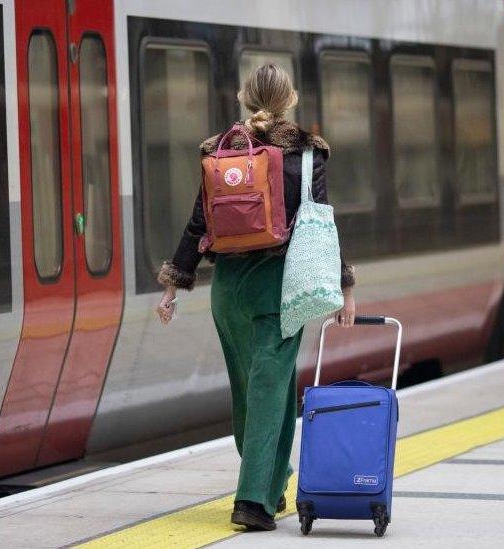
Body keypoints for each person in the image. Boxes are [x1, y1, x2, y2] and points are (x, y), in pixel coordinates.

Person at [154, 63, 357, 531]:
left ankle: (272, 480)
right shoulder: (308, 154)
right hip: (278, 292)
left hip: (228, 292)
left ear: (245, 97)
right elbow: (324, 227)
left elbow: (197, 224)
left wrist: (172, 286)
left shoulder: (220, 151)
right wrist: (345, 291)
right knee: (270, 393)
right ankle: (253, 501)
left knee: (253, 392)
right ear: (291, 100)